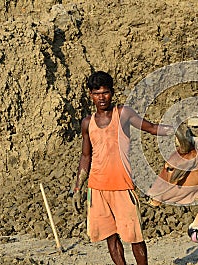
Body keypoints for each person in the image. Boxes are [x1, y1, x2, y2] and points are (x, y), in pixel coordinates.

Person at [71, 71, 174, 265]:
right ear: (90, 95)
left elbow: (151, 128)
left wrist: (174, 130)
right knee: (111, 236)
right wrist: (78, 188)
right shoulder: (87, 123)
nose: (101, 97)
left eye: (105, 92)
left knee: (135, 237)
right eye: (96, 93)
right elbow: (86, 156)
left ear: (112, 92)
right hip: (98, 188)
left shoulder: (123, 114)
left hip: (123, 186)